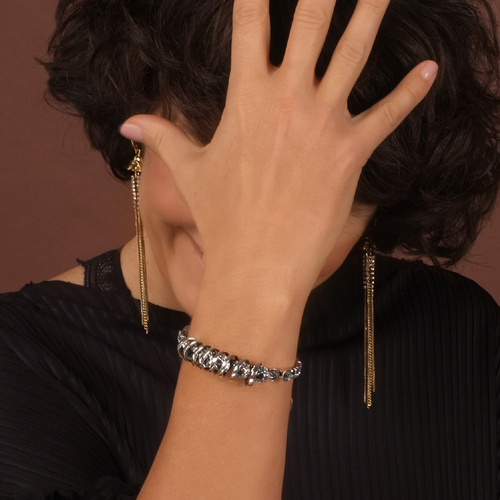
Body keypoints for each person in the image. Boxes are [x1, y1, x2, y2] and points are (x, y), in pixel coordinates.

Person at [1, 0, 499, 498]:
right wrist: (252, 289)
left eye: (325, 183)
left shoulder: (462, 334)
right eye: (222, 150)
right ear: (139, 104)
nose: (254, 221)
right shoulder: (21, 358)